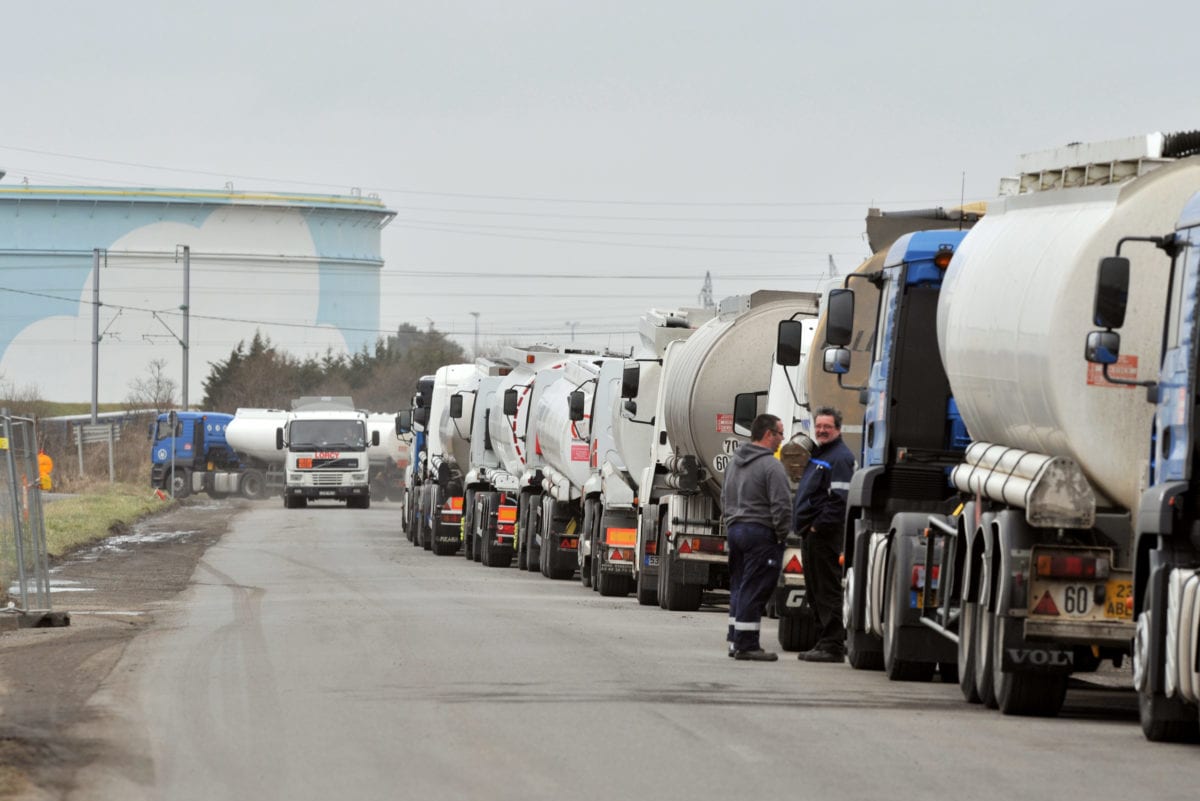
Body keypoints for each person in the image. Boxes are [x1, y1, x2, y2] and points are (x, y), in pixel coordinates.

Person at [722, 413, 792, 662]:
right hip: (760, 533)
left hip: (736, 530)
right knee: (756, 587)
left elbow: (724, 498)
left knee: (739, 585)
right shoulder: (771, 466)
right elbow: (782, 506)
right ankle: (747, 644)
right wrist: (782, 535)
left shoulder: (734, 463)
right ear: (768, 434)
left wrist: (731, 522)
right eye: (780, 433)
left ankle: (735, 639)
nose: (782, 439)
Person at [792, 407, 855, 663]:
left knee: (826, 590)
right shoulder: (821, 453)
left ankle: (832, 646)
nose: (821, 431)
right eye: (818, 427)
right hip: (811, 534)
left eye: (827, 427)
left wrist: (818, 526)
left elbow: (840, 500)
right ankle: (823, 642)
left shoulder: (839, 457)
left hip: (824, 536)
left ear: (837, 429)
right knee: (814, 591)